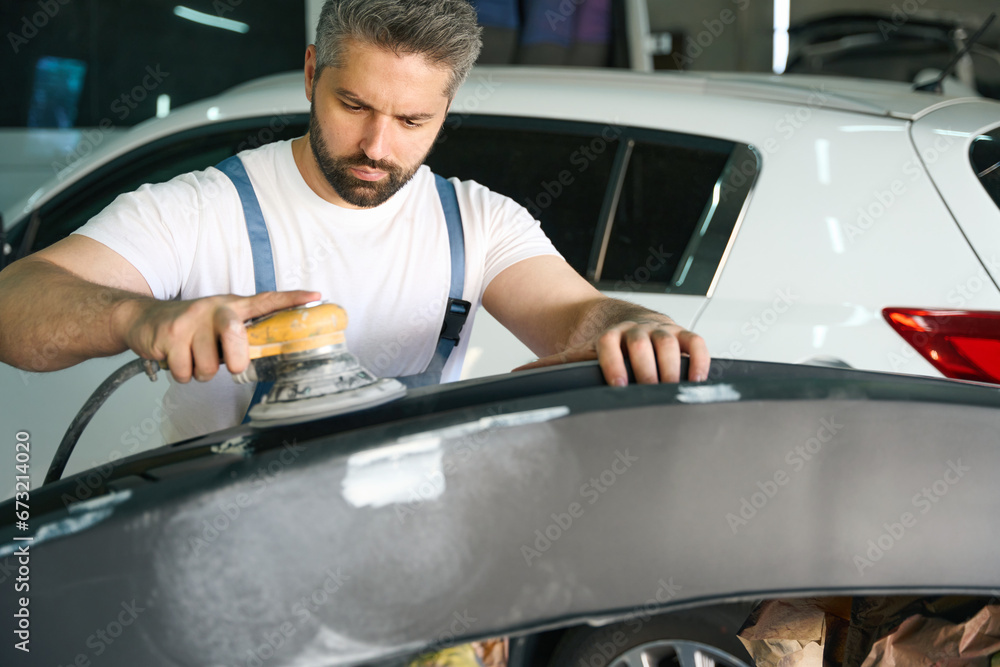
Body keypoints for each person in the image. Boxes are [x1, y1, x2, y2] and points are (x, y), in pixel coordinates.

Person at [0, 0, 709, 443]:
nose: (378, 146)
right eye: (354, 105)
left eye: (412, 120)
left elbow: (578, 314)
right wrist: (138, 319)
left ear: (447, 108)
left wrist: (629, 323)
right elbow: (16, 304)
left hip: (407, 575)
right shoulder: (200, 209)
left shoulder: (477, 223)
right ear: (311, 73)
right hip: (227, 578)